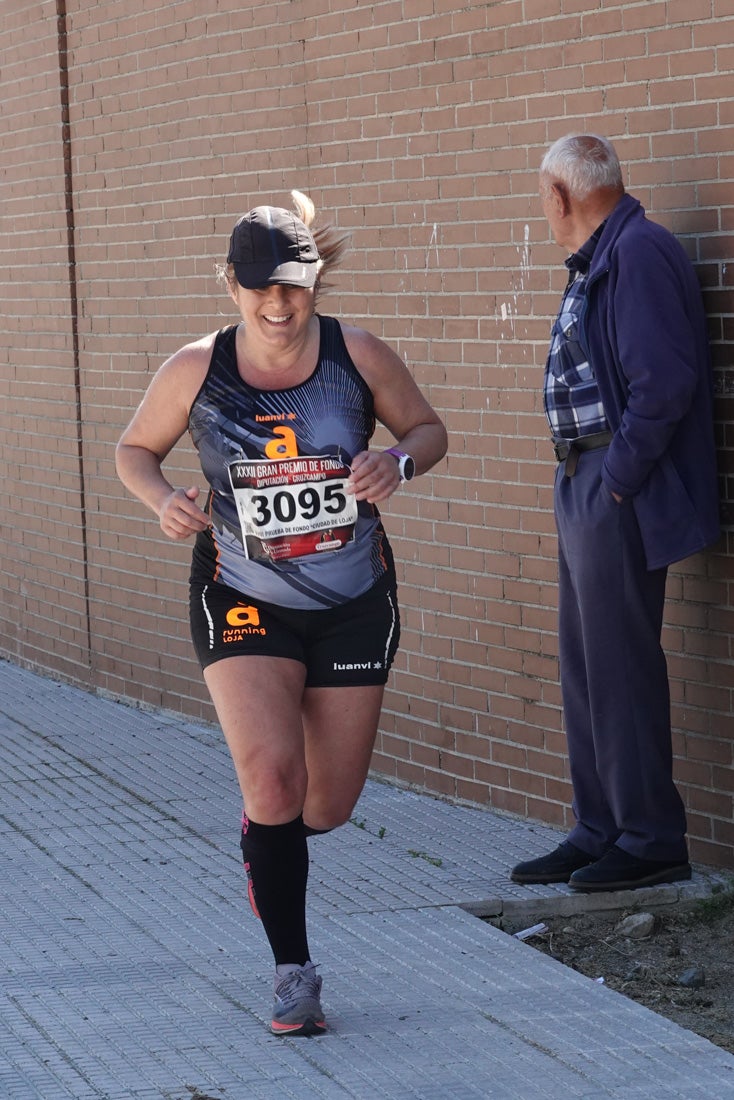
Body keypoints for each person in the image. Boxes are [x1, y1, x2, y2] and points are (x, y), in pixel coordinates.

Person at [116, 192, 447, 1035]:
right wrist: (162, 500)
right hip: (240, 595)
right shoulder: (197, 368)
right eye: (261, 288)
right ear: (230, 284)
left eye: (294, 287)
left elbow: (428, 429)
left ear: (315, 281)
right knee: (272, 780)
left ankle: (271, 836)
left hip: (351, 599)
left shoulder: (357, 353)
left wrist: (397, 463)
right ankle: (293, 971)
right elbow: (134, 450)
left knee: (324, 807)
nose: (278, 305)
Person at [511, 134, 720, 893]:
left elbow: (664, 382)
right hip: (587, 477)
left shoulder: (638, 252)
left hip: (614, 480)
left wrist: (619, 480)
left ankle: (651, 838)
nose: (544, 210)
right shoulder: (606, 254)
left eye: (543, 197)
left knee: (621, 664)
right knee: (586, 665)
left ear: (559, 196)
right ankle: (600, 827)